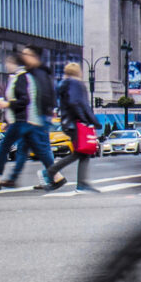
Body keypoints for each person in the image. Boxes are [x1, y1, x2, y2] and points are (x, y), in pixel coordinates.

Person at [0, 46, 61, 189]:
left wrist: (43, 114)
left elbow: (40, 96)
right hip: (33, 117)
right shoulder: (34, 72)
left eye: (26, 54)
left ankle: (54, 176)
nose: (23, 56)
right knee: (25, 148)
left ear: (34, 57)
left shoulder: (37, 73)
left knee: (41, 148)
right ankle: (13, 178)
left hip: (38, 117)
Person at [56, 61, 100, 192]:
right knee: (80, 153)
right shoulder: (75, 83)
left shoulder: (65, 84)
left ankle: (82, 184)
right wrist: (88, 120)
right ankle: (51, 171)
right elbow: (77, 103)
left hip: (69, 122)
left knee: (82, 153)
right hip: (76, 123)